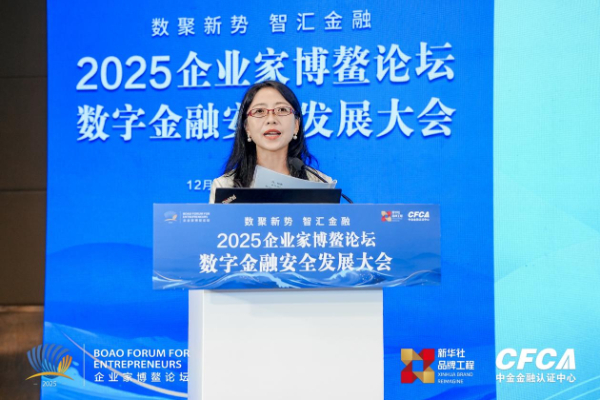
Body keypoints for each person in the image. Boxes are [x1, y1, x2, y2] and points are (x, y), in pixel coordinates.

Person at [209, 80, 333, 203]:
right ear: (247, 128)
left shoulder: (320, 184)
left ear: (296, 125)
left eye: (282, 110)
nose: (271, 119)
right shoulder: (225, 186)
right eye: (259, 111)